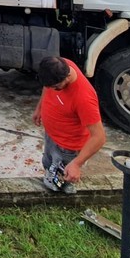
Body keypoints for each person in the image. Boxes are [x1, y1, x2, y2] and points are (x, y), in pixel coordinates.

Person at [32, 56, 106, 193]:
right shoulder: (59, 65)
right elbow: (48, 87)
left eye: (56, 87)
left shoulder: (84, 98)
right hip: (52, 136)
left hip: (68, 147)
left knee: (63, 180)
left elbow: (99, 137)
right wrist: (39, 108)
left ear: (66, 77)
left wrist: (77, 164)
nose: (52, 89)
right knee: (48, 163)